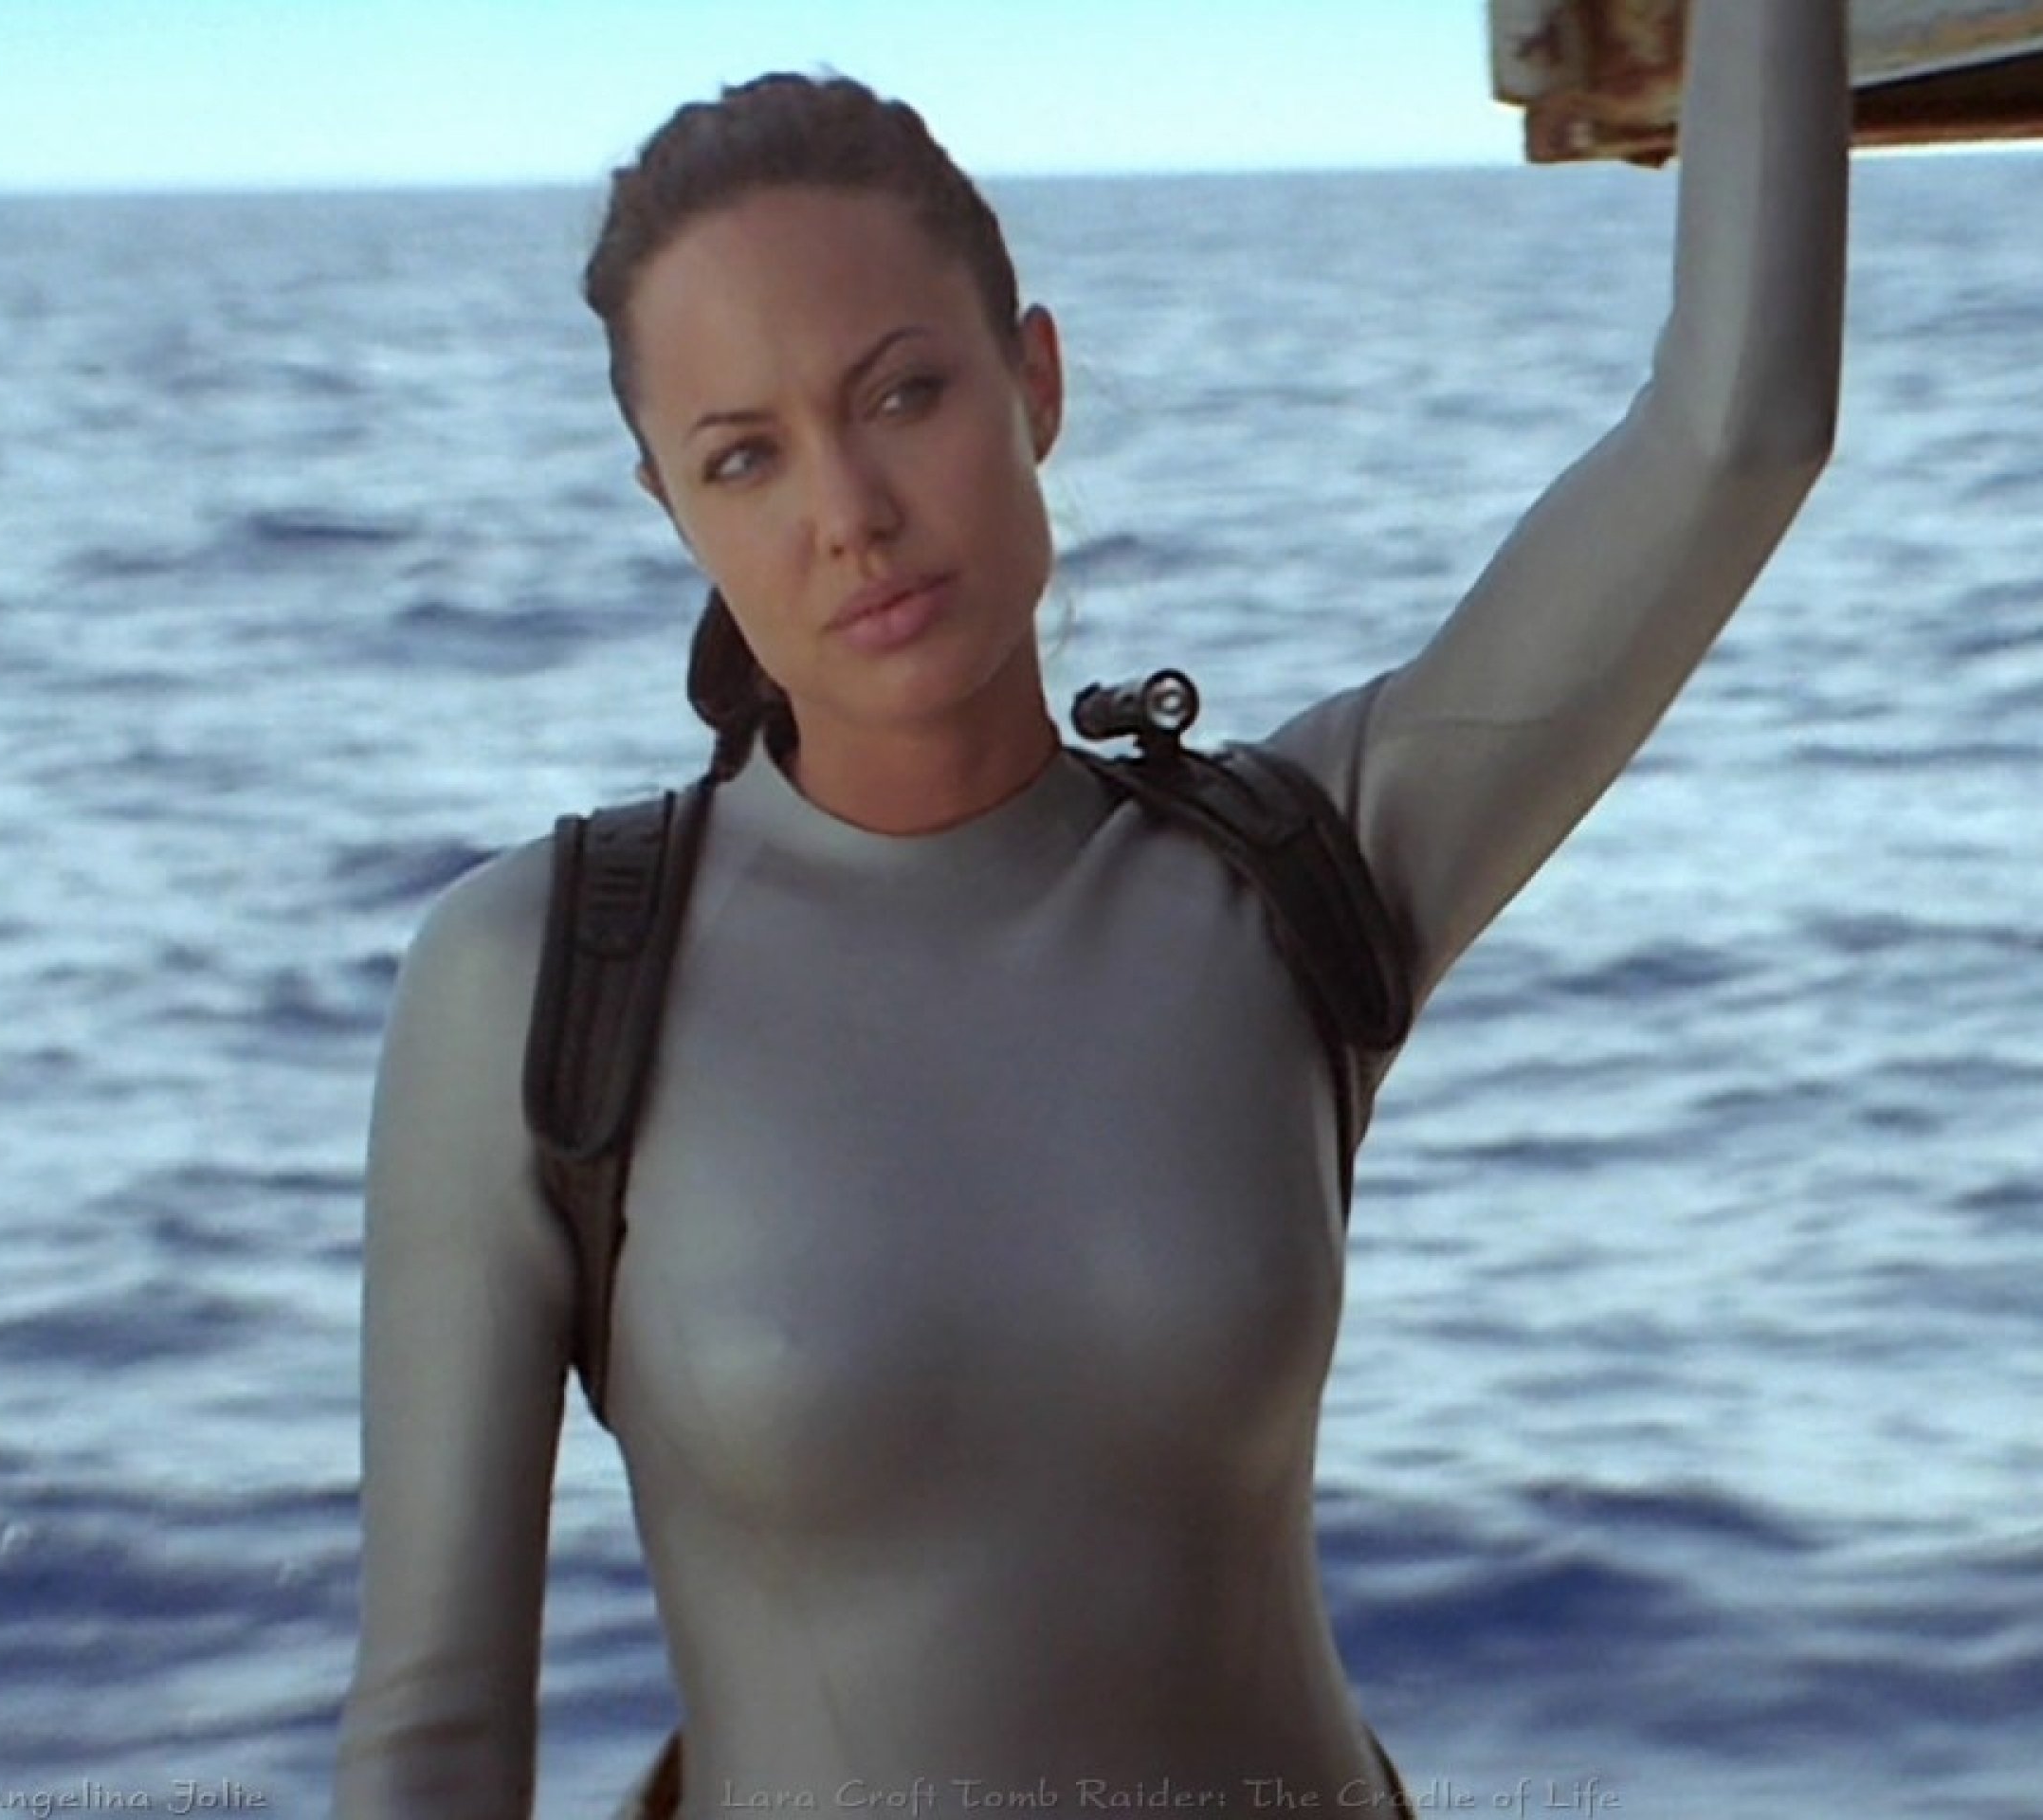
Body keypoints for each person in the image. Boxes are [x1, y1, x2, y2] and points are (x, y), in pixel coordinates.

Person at [329, 2, 1848, 1813]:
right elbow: (434, 1733)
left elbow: (1738, 434)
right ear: (673, 507)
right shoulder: (540, 983)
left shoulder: (1298, 874)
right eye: (746, 456)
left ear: (1034, 383)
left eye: (904, 394)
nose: (850, 512)